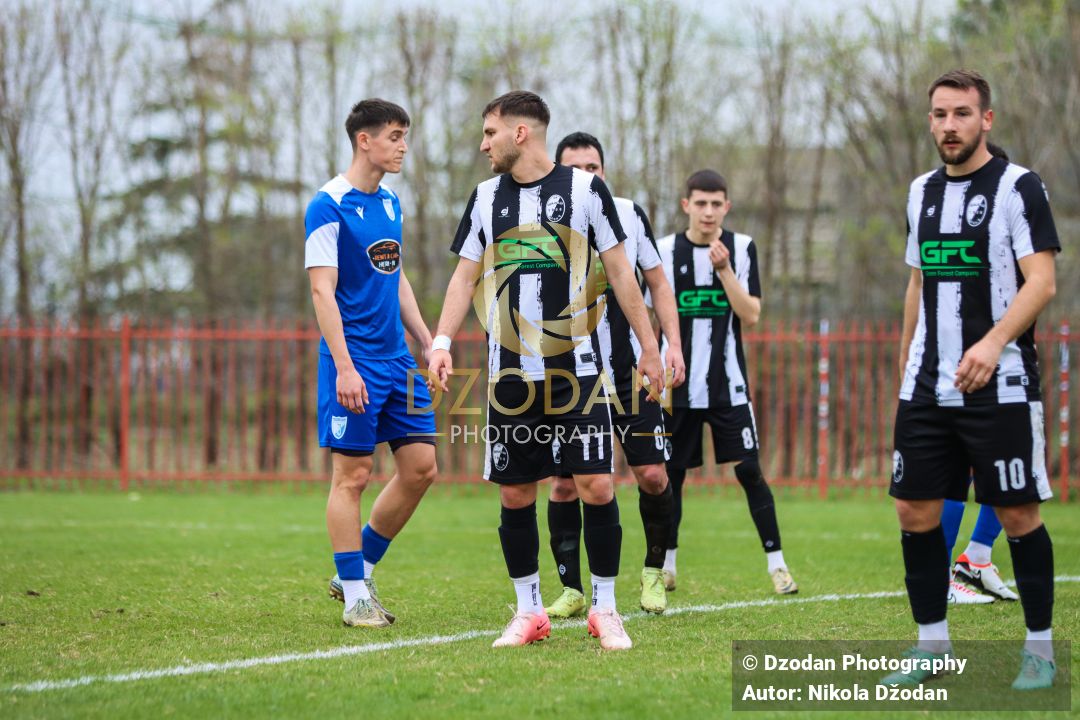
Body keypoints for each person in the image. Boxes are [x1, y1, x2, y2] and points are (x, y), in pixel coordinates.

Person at [427, 91, 665, 650]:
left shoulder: (586, 191)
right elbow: (464, 278)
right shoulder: (485, 198)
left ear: (519, 134)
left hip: (577, 371)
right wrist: (441, 340)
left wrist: (649, 347)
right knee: (514, 494)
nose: (483, 144)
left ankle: (606, 610)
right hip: (510, 376)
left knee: (596, 484)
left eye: (489, 133)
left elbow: (621, 274)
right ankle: (528, 610)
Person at [886, 69, 1059, 690]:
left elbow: (1041, 281)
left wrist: (991, 342)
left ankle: (1039, 651)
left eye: (961, 113)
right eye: (939, 114)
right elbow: (917, 284)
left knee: (1016, 514)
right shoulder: (920, 193)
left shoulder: (1019, 188)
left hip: (1003, 385)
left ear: (986, 119)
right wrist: (908, 366)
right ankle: (932, 644)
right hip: (927, 387)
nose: (949, 125)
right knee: (914, 510)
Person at [305, 99, 438, 628]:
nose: (403, 145)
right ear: (365, 140)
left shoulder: (390, 204)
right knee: (353, 476)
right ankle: (357, 596)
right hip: (353, 361)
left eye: (404, 135)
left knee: (422, 468)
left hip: (398, 362)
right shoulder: (327, 204)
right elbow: (321, 290)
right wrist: (343, 365)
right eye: (395, 135)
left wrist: (427, 341)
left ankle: (355, 568)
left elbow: (397, 277)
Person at [543, 132, 686, 619]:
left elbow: (659, 283)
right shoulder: (542, 218)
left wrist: (671, 346)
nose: (587, 175)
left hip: (628, 372)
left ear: (605, 171)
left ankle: (652, 574)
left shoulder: (627, 213)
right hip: (571, 375)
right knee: (565, 486)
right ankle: (571, 588)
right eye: (576, 168)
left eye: (594, 167)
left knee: (651, 474)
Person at [655, 170, 797, 596]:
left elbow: (751, 315)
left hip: (728, 384)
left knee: (751, 470)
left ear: (727, 207)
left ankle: (778, 566)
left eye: (717, 204)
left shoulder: (741, 247)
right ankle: (667, 566)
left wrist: (725, 272)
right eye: (700, 203)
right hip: (676, 385)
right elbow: (649, 312)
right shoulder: (664, 250)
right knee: (671, 476)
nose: (708, 211)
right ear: (686, 206)